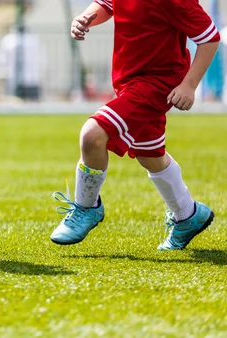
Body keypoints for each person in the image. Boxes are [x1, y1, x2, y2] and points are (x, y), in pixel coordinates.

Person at [51, 0, 219, 250]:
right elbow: (106, 4)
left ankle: (87, 208)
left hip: (158, 83)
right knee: (149, 154)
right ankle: (188, 215)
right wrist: (85, 18)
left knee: (92, 135)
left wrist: (189, 85)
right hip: (128, 81)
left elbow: (209, 38)